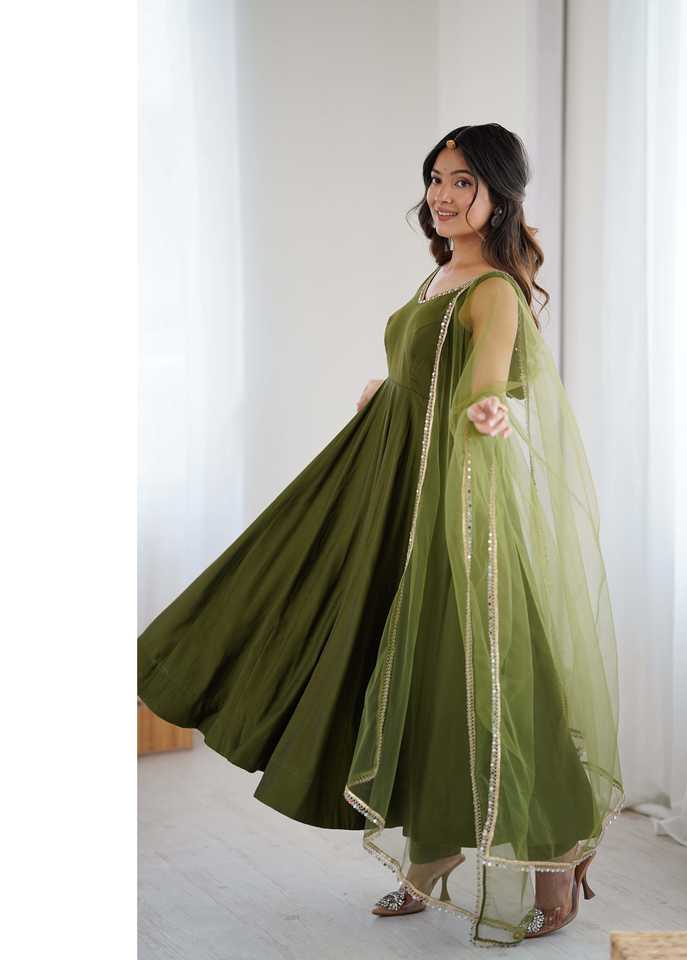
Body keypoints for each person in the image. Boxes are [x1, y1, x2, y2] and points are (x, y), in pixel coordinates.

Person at [138, 123, 623, 947]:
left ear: (501, 195)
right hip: (392, 486)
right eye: (436, 178)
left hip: (450, 501)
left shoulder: (494, 290)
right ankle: (435, 847)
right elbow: (427, 369)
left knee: (490, 671)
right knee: (403, 665)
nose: (442, 195)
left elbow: (485, 383)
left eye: (463, 181)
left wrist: (484, 410)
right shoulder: (440, 275)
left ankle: (555, 852)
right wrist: (390, 387)